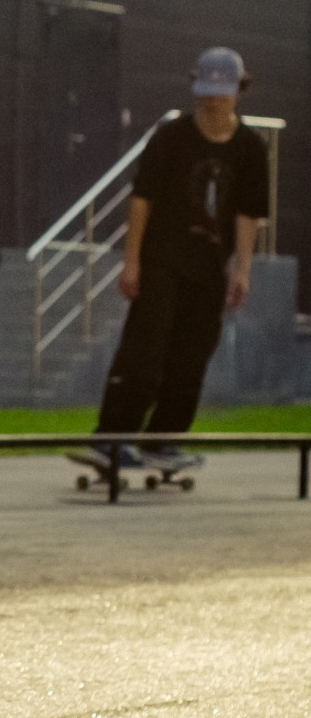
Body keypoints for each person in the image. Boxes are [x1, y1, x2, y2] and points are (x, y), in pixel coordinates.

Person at [94, 47, 267, 470]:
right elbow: (142, 200)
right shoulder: (171, 136)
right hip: (161, 260)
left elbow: (248, 213)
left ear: (239, 92)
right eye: (204, 93)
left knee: (192, 355)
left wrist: (242, 270)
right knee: (145, 348)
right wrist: (131, 261)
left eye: (220, 94)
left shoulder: (250, 148)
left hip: (210, 268)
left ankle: (163, 438)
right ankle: (112, 437)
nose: (211, 102)